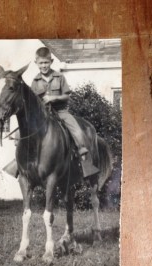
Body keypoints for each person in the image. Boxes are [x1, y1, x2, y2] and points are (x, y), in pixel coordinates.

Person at [31, 47, 99, 176]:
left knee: (77, 131)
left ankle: (83, 156)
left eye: (46, 62)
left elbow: (67, 96)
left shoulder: (59, 77)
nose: (44, 66)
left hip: (60, 111)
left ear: (51, 61)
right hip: (42, 115)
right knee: (22, 133)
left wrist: (54, 97)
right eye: (41, 63)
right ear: (36, 63)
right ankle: (20, 163)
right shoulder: (35, 81)